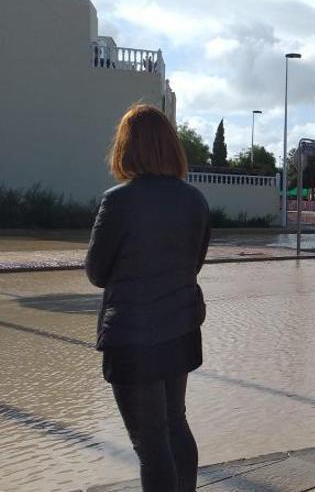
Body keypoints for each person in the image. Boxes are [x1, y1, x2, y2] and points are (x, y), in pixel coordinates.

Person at [86, 104, 210, 492]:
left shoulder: (118, 201)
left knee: (150, 444)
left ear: (127, 147)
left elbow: (96, 272)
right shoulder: (195, 200)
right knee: (176, 425)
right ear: (172, 147)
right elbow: (195, 263)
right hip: (180, 330)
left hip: (132, 337)